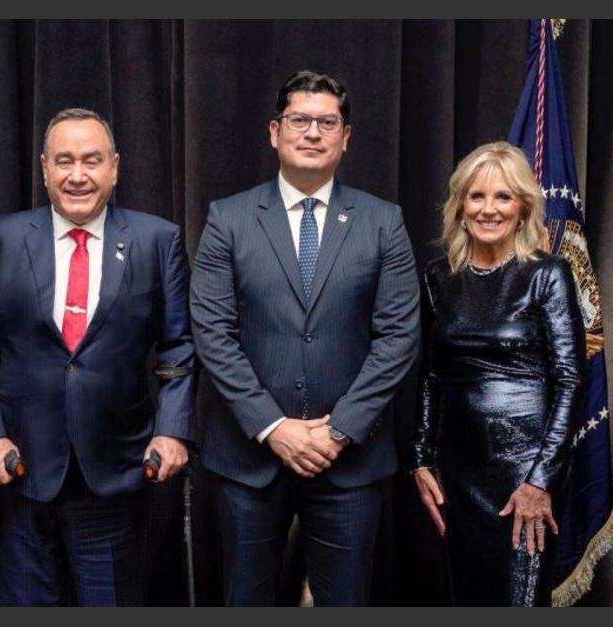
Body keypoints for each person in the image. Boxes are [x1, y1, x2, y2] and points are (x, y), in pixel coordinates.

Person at [189, 69, 421, 606]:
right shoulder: (229, 219)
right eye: (299, 120)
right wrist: (273, 428)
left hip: (350, 464)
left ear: (346, 137)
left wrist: (337, 432)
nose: (313, 132)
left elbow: (398, 337)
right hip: (250, 462)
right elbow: (213, 333)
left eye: (327, 122)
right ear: (275, 132)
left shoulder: (384, 222)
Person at [0, 108, 195, 606]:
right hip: (20, 472)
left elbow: (178, 347)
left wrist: (172, 431)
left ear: (115, 167)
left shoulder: (158, 240)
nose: (78, 175)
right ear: (45, 168)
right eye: (64, 161)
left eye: (92, 160)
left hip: (117, 473)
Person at [412, 141, 585, 606]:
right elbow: (431, 375)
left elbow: (570, 380)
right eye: (477, 196)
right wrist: (421, 458)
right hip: (458, 471)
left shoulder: (548, 274)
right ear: (461, 205)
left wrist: (540, 480)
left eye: (503, 197)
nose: (489, 209)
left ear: (523, 208)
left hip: (525, 468)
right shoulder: (438, 276)